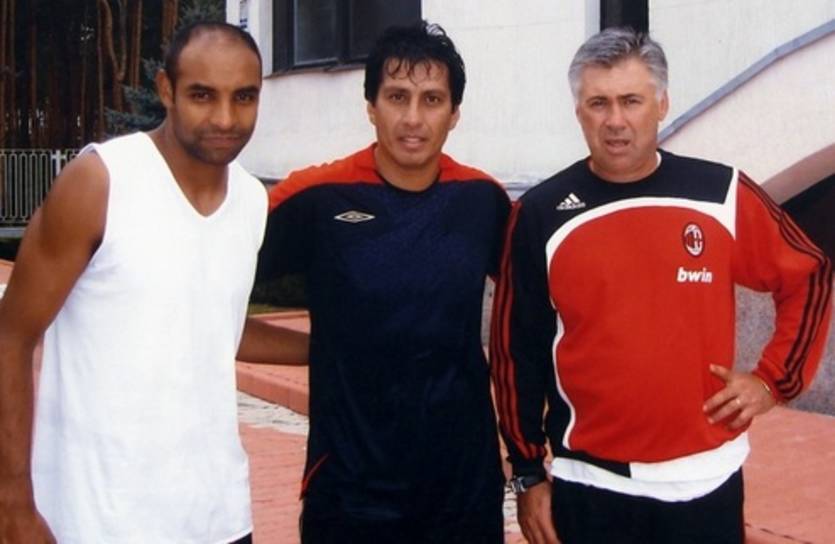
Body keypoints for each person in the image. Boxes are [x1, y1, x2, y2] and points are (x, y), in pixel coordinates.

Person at [491, 27, 832, 544]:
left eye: (631, 100)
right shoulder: (541, 213)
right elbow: (515, 353)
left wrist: (772, 381)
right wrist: (527, 471)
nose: (615, 120)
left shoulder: (720, 193)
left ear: (662, 104)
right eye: (598, 103)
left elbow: (809, 273)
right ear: (579, 112)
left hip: (706, 482)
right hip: (591, 484)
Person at [0, 22, 308, 544]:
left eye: (244, 97)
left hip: (219, 517)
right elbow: (11, 337)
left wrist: (329, 346)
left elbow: (215, 327)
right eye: (202, 95)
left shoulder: (252, 201)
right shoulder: (102, 181)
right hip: (99, 521)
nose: (225, 118)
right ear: (166, 90)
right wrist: (12, 505)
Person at [256, 21, 511, 543]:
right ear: (371, 106)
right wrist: (320, 348)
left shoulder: (482, 201)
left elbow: (541, 313)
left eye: (432, 99)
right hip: (350, 493)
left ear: (454, 114)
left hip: (463, 490)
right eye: (397, 97)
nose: (413, 119)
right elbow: (207, 293)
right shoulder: (315, 198)